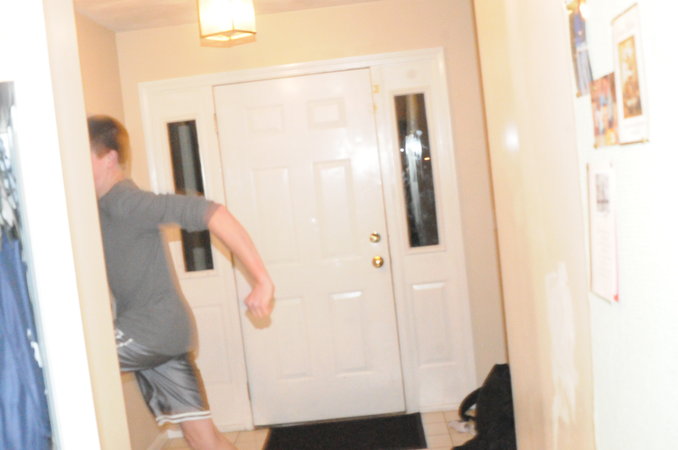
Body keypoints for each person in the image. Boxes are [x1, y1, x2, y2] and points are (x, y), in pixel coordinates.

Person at [88, 115, 273, 450]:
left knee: (75, 362)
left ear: (109, 158)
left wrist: (262, 280)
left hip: (151, 331)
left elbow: (213, 212)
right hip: (164, 332)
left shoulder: (125, 201)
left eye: (83, 155)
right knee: (203, 438)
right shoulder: (99, 206)